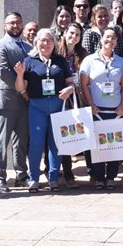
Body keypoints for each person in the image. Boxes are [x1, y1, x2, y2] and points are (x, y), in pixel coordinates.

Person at [14, 29, 76, 192]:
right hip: (37, 107)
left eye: (49, 40)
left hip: (57, 106)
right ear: (36, 42)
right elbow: (20, 88)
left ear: (54, 43)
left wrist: (69, 90)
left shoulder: (60, 61)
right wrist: (20, 75)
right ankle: (34, 178)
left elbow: (71, 82)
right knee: (36, 144)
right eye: (42, 40)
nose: (46, 43)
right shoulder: (29, 61)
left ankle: (53, 179)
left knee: (55, 145)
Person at [78, 27, 123, 189]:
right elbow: (84, 84)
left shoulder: (121, 61)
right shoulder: (89, 60)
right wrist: (90, 104)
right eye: (107, 37)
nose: (110, 40)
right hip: (96, 110)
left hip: (115, 110)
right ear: (101, 39)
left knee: (114, 144)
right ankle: (99, 178)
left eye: (113, 38)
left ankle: (112, 177)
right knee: (97, 145)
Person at [0, 12, 31, 193]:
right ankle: (0, 178)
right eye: (12, 23)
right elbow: (3, 73)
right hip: (6, 100)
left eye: (18, 22)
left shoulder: (29, 46)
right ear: (5, 25)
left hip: (24, 102)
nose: (15, 26)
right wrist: (22, 90)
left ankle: (21, 175)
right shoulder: (0, 45)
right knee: (1, 141)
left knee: (21, 141)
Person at [56, 21, 87, 185]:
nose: (74, 37)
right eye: (71, 33)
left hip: (78, 98)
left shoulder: (82, 54)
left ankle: (92, 171)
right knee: (64, 134)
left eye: (77, 34)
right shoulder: (56, 51)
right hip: (59, 97)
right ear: (64, 33)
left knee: (84, 132)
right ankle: (67, 174)